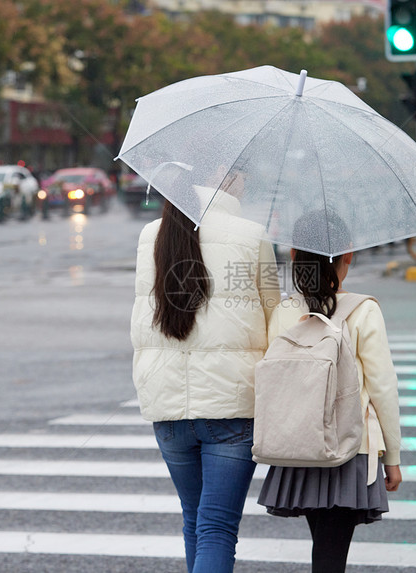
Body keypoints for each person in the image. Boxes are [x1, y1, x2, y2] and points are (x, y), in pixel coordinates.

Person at [130, 186, 280, 573]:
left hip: (167, 407)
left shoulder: (152, 234)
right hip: (231, 405)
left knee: (195, 519)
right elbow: (274, 318)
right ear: (223, 179)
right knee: (216, 528)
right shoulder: (252, 235)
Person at [257, 211, 402, 573]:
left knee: (325, 548)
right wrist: (393, 456)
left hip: (300, 445)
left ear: (293, 256)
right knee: (330, 555)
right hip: (351, 449)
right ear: (348, 254)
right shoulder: (363, 311)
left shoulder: (285, 312)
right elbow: (383, 387)